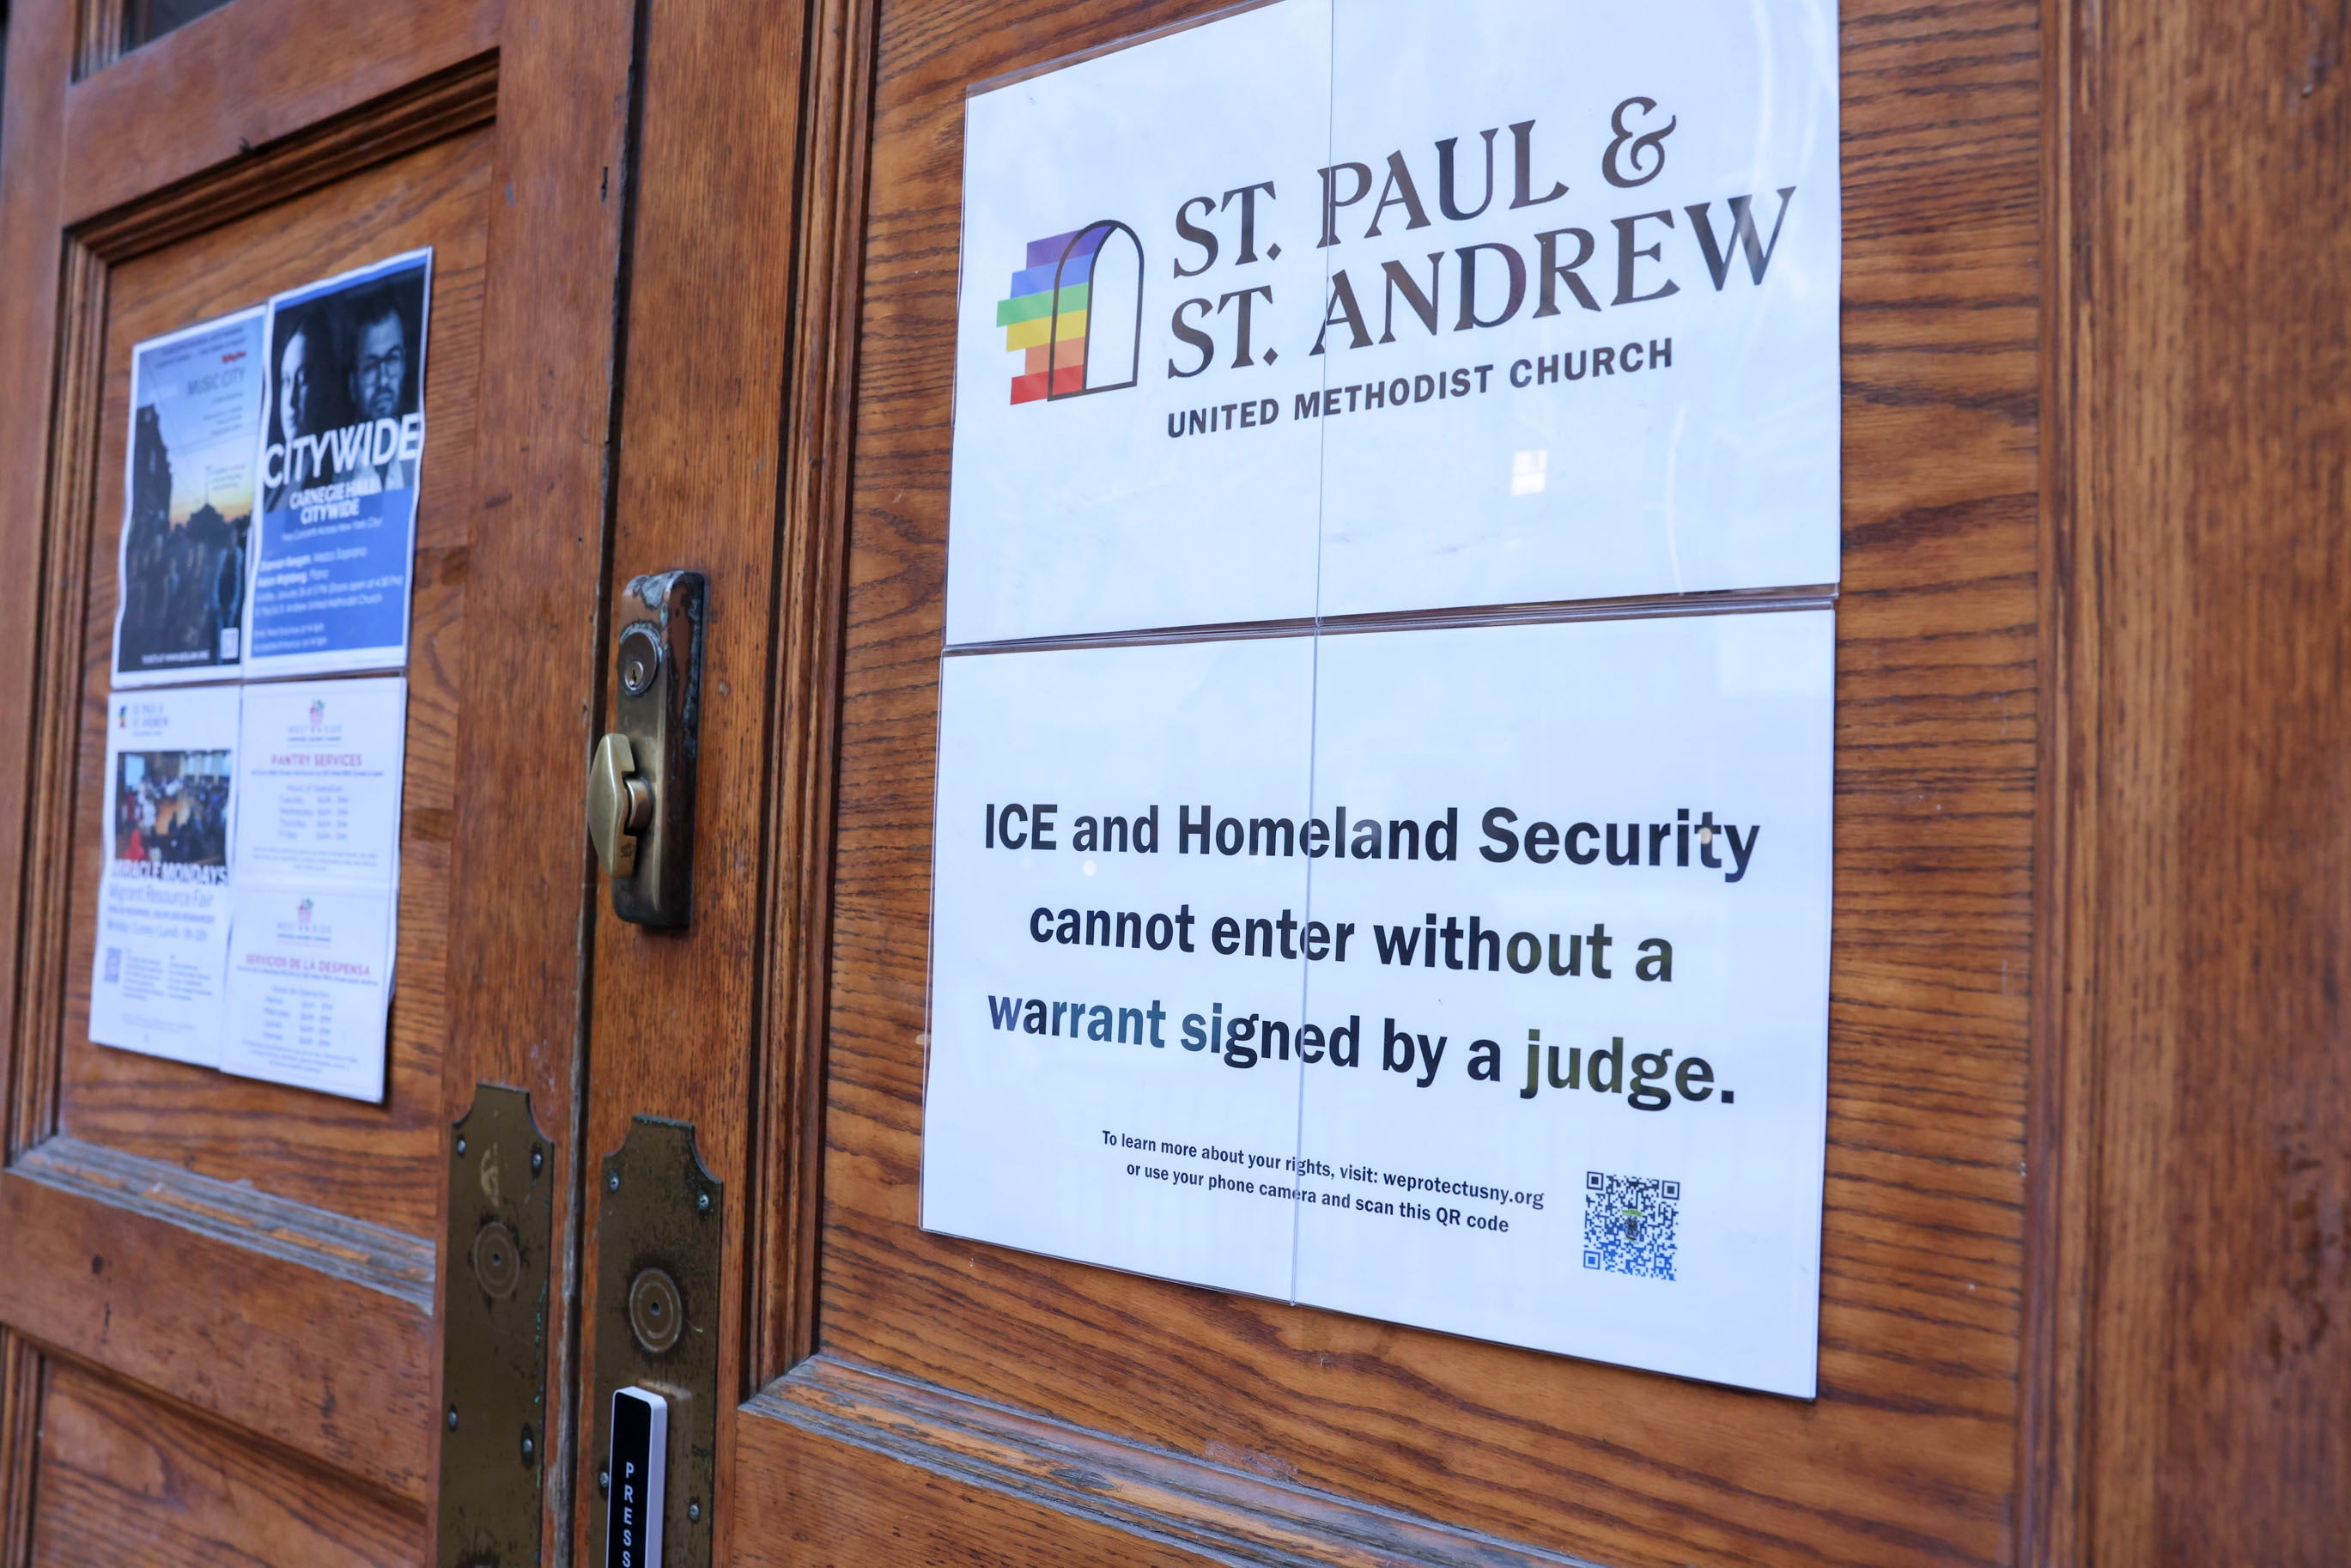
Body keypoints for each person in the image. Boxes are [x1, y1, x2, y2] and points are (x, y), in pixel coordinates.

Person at [342, 287, 413, 491]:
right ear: (352, 382)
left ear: (404, 364)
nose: (383, 380)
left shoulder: (423, 449)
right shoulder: (330, 469)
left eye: (392, 359)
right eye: (371, 366)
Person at [265, 307, 337, 511]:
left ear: (324, 382)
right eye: (286, 381)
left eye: (303, 379)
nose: (290, 400)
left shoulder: (332, 470)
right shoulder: (283, 474)